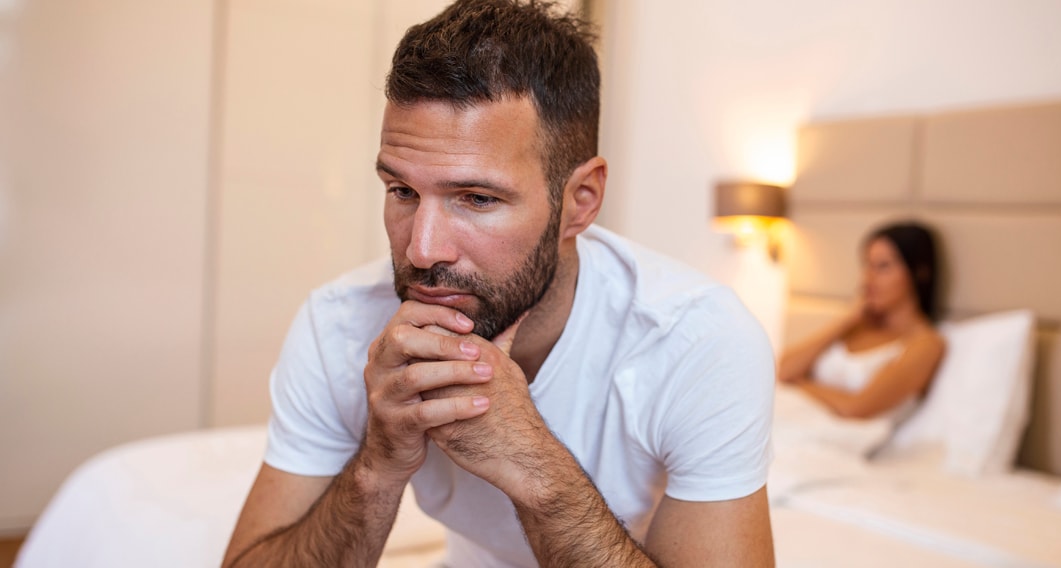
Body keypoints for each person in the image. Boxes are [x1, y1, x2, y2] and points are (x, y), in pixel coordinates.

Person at [222, 1, 776, 567]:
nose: (421, 250)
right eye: (402, 191)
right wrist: (377, 466)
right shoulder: (338, 324)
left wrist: (534, 467)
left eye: (478, 199)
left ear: (579, 202)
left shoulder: (698, 341)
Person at [777, 221, 945, 422]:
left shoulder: (925, 344)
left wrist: (802, 385)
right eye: (867, 265)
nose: (868, 279)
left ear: (919, 272)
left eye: (883, 267)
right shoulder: (855, 327)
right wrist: (847, 321)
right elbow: (782, 371)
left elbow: (856, 408)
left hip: (835, 438)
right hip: (790, 420)